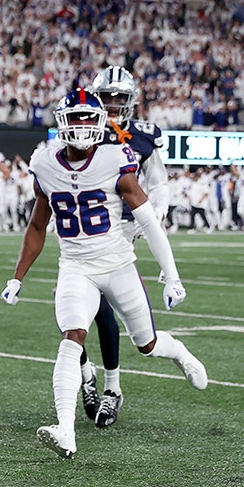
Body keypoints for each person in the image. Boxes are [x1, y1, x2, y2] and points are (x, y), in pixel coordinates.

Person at [1, 88, 206, 459]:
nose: (81, 125)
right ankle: (65, 427)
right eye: (74, 117)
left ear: (100, 123)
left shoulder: (116, 158)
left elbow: (149, 221)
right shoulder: (44, 163)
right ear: (61, 123)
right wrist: (17, 277)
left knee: (148, 345)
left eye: (87, 117)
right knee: (72, 336)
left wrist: (171, 275)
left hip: (118, 264)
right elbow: (36, 225)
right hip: (75, 267)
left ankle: (180, 354)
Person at [75, 65, 171, 428]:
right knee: (73, 311)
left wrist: (155, 213)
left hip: (122, 230)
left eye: (120, 98)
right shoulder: (82, 127)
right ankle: (88, 375)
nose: (114, 105)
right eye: (108, 98)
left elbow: (159, 182)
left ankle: (111, 388)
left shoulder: (142, 135)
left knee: (103, 309)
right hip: (84, 228)